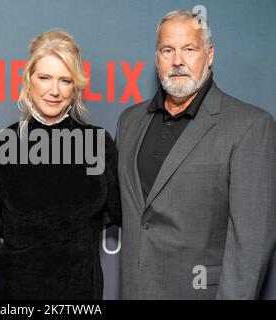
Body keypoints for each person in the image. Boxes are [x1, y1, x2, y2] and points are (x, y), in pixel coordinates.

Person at [116, 10, 276, 299]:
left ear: (210, 54)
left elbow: (250, 245)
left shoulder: (250, 126)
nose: (178, 61)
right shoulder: (129, 121)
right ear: (157, 57)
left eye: (189, 49)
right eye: (168, 50)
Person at [0, 29, 121, 299]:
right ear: (29, 81)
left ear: (76, 87)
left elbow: (116, 209)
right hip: (14, 289)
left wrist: (76, 228)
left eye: (65, 80)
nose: (54, 91)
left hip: (80, 291)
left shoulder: (98, 144)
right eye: (45, 78)